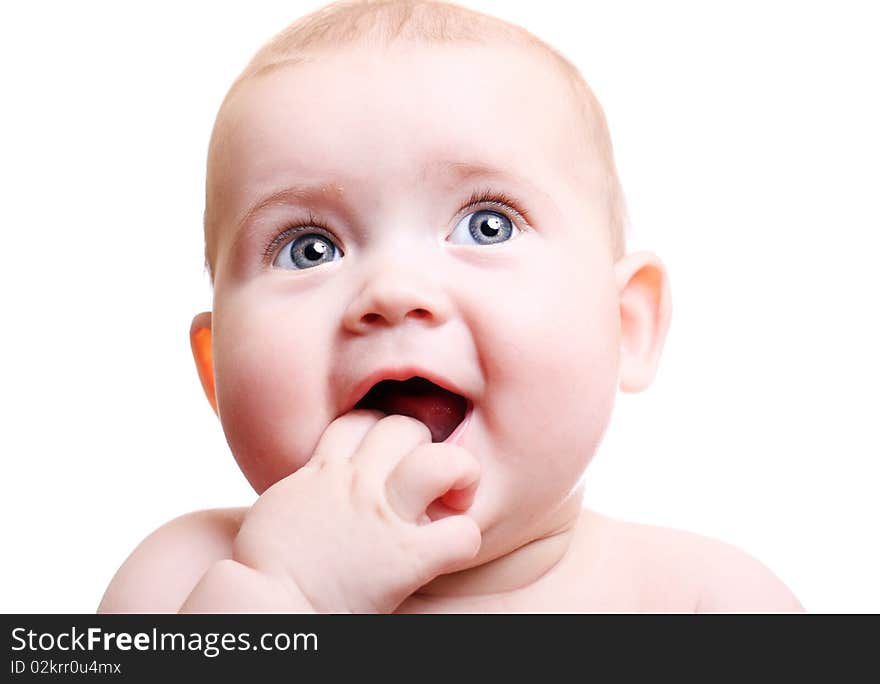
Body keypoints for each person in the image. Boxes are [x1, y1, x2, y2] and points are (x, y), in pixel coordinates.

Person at [99, 0, 802, 612]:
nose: (393, 291)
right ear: (216, 371)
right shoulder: (181, 582)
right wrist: (288, 599)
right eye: (309, 248)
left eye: (486, 225)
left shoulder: (706, 602)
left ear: (627, 326)